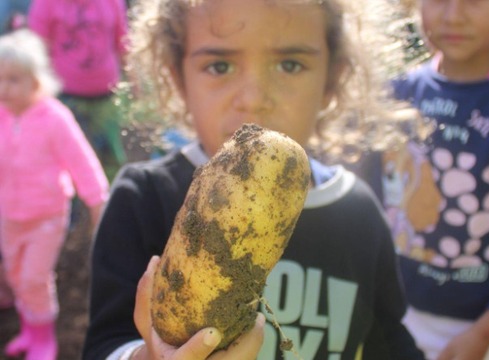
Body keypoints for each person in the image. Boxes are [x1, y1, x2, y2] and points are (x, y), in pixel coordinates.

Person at [82, 0, 427, 359]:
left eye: (290, 65)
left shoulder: (359, 216)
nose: (254, 99)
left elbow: (388, 340)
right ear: (178, 80)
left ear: (332, 80)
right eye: (220, 66)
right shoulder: (143, 200)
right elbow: (105, 344)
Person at [359, 0, 489, 359]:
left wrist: (486, 332)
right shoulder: (395, 96)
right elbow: (370, 211)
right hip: (394, 320)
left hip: (484, 332)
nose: (453, 15)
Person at [0, 29, 109, 360]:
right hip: (9, 214)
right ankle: (29, 331)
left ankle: (45, 338)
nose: (4, 88)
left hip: (46, 214)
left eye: (14, 79)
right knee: (17, 275)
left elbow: (82, 161)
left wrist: (96, 201)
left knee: (34, 277)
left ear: (35, 81)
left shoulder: (54, 118)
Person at [27, 0, 129, 180]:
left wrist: (133, 80)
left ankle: (111, 202)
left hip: (106, 96)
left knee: (110, 159)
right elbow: (36, 48)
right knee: (67, 162)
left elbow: (122, 40)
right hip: (66, 98)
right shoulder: (46, 3)